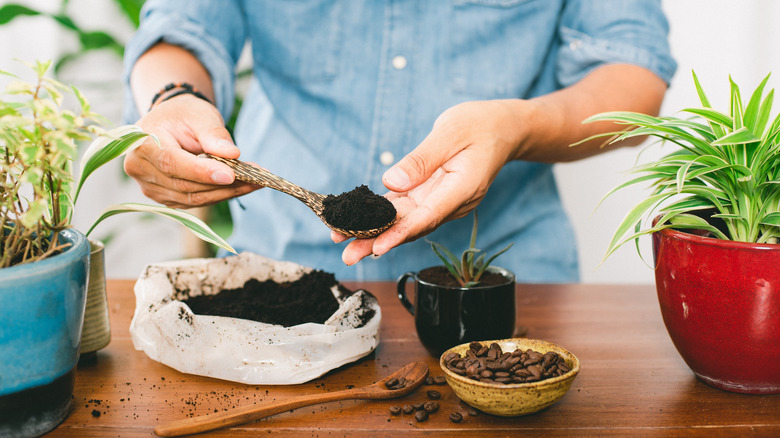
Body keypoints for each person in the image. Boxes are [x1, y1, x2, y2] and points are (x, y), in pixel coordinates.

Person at [122, 0, 676, 282]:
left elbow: (633, 75)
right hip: (283, 266)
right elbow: (182, 26)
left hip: (504, 279)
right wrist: (170, 99)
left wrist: (516, 127)